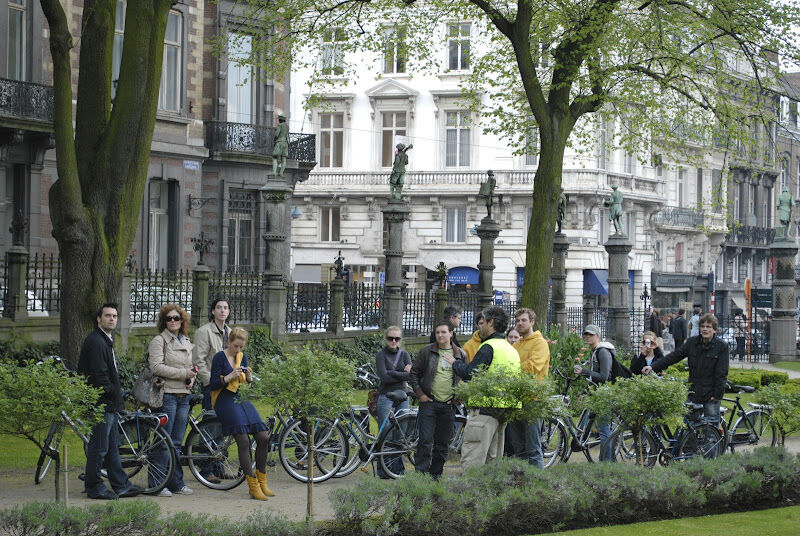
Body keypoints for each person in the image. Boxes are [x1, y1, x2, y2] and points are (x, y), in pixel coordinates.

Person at [78, 303, 144, 500]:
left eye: (114, 316)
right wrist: (113, 391)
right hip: (101, 402)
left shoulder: (105, 339)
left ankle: (120, 484)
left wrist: (116, 392)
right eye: (107, 316)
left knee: (112, 447)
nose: (112, 319)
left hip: (109, 402)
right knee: (99, 448)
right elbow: (99, 375)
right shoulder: (96, 341)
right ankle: (94, 486)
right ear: (99, 319)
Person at [449, 306, 521, 470]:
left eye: (483, 322)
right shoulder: (510, 349)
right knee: (493, 462)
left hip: (485, 409)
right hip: (505, 409)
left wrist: (455, 363)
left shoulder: (489, 347)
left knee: (473, 459)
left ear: (491, 323)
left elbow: (470, 373)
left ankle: (471, 494)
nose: (479, 327)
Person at [209, 327, 273, 500]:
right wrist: (229, 376)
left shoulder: (242, 357)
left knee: (263, 437)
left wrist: (249, 378)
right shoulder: (219, 357)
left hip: (240, 397)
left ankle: (262, 480)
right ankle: (252, 486)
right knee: (243, 440)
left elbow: (245, 383)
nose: (238, 350)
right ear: (229, 341)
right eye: (235, 346)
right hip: (224, 399)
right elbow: (213, 384)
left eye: (241, 347)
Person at [643, 314, 729, 425]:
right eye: (702, 326)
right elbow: (674, 356)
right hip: (694, 391)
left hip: (711, 393)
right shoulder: (692, 343)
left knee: (710, 428)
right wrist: (653, 367)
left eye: (708, 327)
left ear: (714, 330)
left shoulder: (721, 346)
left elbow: (722, 373)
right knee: (689, 426)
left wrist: (717, 395)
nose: (705, 329)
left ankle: (712, 441)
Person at [147, 304, 196, 497]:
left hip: (183, 395)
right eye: (169, 318)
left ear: (182, 320)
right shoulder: (159, 341)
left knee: (176, 442)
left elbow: (190, 366)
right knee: (162, 441)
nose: (173, 321)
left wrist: (191, 377)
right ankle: (157, 483)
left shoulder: (185, 340)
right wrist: (184, 373)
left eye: (176, 318)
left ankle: (176, 482)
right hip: (166, 394)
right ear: (163, 322)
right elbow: (156, 367)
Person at [410, 320, 467, 479]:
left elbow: (467, 378)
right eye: (437, 332)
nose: (440, 335)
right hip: (429, 403)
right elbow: (414, 374)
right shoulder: (427, 352)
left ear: (451, 334)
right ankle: (420, 478)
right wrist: (420, 394)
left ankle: (436, 476)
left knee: (442, 444)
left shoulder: (460, 355)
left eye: (443, 332)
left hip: (448, 406)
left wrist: (458, 399)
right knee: (425, 442)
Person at [192, 298, 231, 483]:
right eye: (219, 308)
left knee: (222, 427)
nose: (222, 311)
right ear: (213, 311)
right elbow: (199, 361)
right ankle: (206, 468)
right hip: (213, 387)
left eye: (225, 308)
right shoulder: (204, 332)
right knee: (209, 427)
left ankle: (219, 466)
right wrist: (210, 383)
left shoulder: (230, 332)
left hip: (228, 387)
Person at [508, 308, 550, 468]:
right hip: (516, 398)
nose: (520, 323)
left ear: (532, 322)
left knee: (533, 448)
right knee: (518, 448)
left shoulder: (540, 343)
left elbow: (534, 366)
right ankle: (522, 483)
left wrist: (512, 368)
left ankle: (537, 486)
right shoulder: (516, 345)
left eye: (523, 320)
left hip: (533, 400)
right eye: (517, 320)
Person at [375, 326, 412, 478]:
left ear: (400, 340)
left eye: (397, 338)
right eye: (390, 338)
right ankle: (383, 471)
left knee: (400, 434)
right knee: (385, 434)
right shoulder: (381, 355)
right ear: (386, 339)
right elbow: (384, 378)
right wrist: (402, 373)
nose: (394, 341)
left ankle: (398, 470)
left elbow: (410, 375)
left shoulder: (404, 354)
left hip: (402, 396)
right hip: (386, 395)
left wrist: (393, 373)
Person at [573, 324, 614, 461]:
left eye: (591, 335)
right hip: (598, 393)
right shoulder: (594, 351)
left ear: (598, 336)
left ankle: (606, 462)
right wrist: (584, 392)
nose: (588, 337)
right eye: (586, 335)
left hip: (605, 395)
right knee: (601, 428)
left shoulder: (602, 352)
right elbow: (593, 378)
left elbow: (604, 376)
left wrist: (584, 371)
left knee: (603, 430)